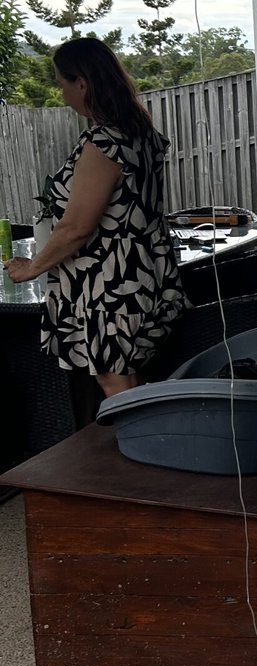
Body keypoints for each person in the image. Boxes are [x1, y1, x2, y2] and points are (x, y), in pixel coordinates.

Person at [3, 38, 185, 397]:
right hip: (141, 270)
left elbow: (75, 228)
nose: (62, 94)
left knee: (115, 380)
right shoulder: (139, 132)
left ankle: (138, 450)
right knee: (130, 376)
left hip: (111, 283)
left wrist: (31, 268)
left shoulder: (105, 143)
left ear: (81, 83)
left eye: (62, 83)